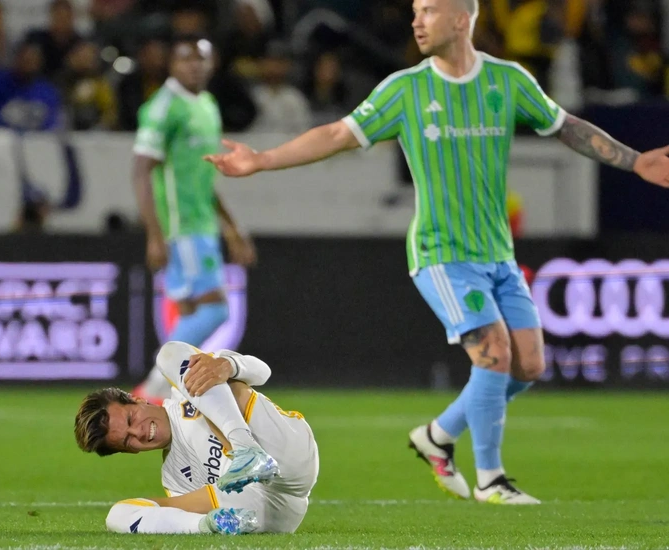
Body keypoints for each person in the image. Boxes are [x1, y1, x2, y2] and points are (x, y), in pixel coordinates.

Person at [204, 0, 669, 505]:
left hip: (497, 252)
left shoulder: (508, 81)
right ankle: (491, 479)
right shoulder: (405, 89)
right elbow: (338, 133)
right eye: (414, 11)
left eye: (428, 11)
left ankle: (438, 435)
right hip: (441, 252)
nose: (416, 21)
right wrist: (263, 159)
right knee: (494, 354)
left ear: (461, 18)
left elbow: (567, 126)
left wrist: (634, 160)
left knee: (529, 366)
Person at [74, 341, 319, 535]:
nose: (138, 432)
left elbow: (263, 372)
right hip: (273, 515)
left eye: (131, 419)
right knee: (117, 516)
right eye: (128, 441)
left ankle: (246, 448)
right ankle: (209, 525)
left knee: (170, 355)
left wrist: (229, 366)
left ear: (138, 399)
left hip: (288, 455)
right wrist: (203, 523)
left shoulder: (188, 383)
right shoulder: (174, 480)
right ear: (131, 451)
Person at [131, 36, 256, 405]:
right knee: (215, 309)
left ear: (212, 63)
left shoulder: (207, 105)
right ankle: (153, 388)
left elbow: (204, 176)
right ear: (171, 64)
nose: (194, 66)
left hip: (202, 222)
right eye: (185, 59)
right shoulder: (162, 108)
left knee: (188, 312)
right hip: (182, 225)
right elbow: (140, 171)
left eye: (200, 59)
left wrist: (231, 226)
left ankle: (170, 395)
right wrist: (154, 234)